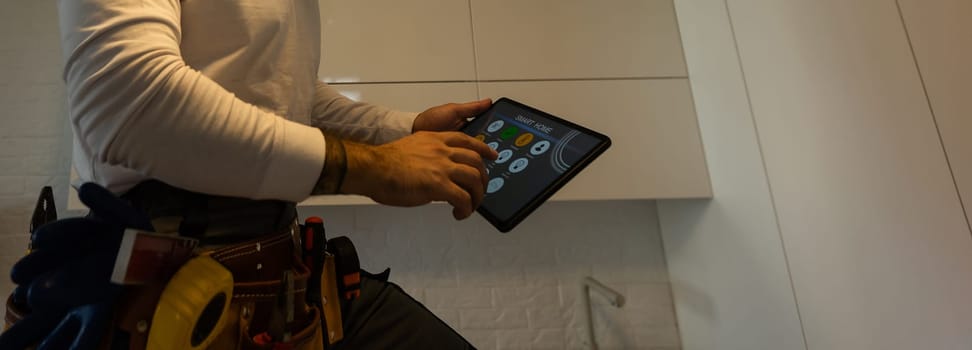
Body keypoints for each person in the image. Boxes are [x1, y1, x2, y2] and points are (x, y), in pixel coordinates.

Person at [1, 0, 497, 348]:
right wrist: (374, 170)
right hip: (174, 288)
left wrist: (400, 131)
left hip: (285, 276)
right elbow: (128, 102)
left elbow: (282, 91)